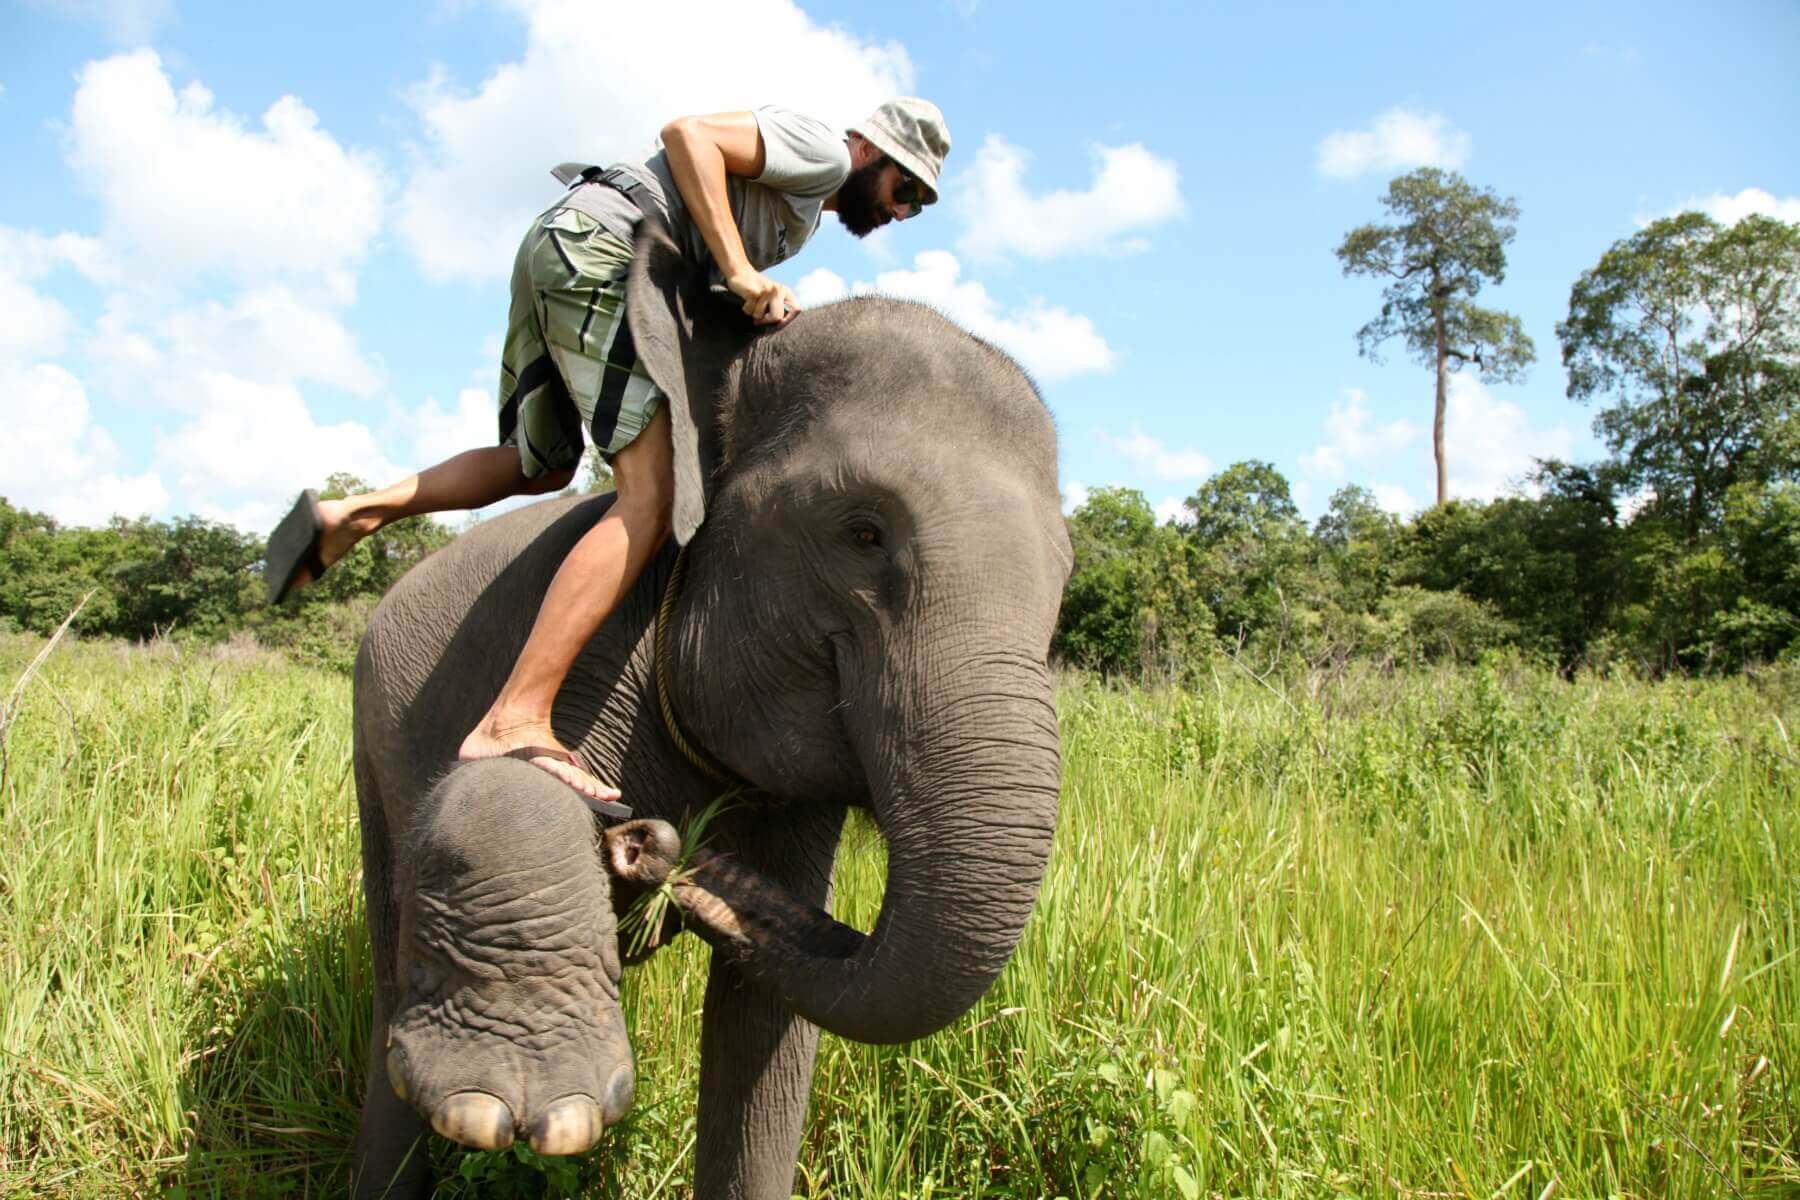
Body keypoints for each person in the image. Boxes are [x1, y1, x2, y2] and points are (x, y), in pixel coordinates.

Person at [262, 99, 951, 804]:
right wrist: (744, 273)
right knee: (649, 499)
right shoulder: (824, 152)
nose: (902, 213)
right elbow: (689, 137)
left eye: (920, 206)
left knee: (540, 462)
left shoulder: (799, 214)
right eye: (908, 190)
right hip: (602, 251)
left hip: (565, 247)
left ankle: (354, 514)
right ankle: (515, 715)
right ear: (870, 152)